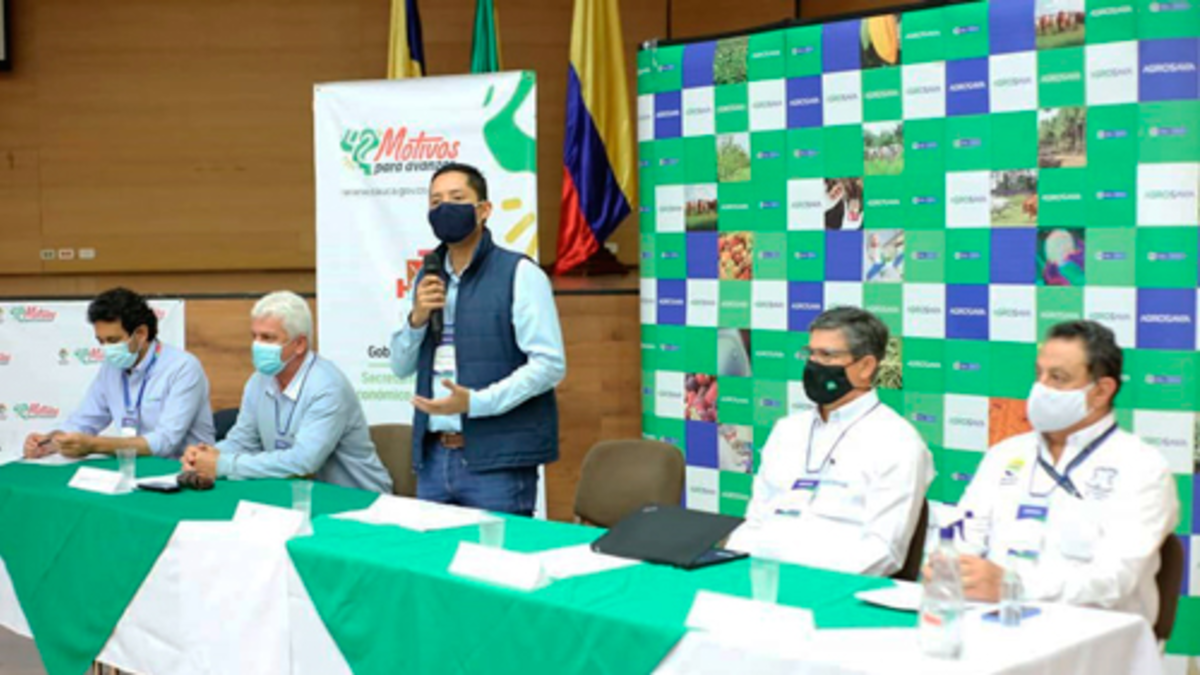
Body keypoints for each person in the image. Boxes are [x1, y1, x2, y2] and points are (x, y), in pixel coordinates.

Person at [953, 320, 1178, 625]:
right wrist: (949, 567)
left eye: (1058, 378)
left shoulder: (1141, 467)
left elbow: (1114, 580)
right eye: (1039, 374)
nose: (1040, 388)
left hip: (1092, 636)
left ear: (1101, 392)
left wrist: (1012, 585)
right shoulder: (1005, 455)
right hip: (990, 622)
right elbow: (962, 539)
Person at [390, 163, 566, 516]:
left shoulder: (519, 273)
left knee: (497, 551)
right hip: (433, 457)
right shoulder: (428, 276)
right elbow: (400, 366)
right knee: (433, 552)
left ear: (483, 210)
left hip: (497, 463)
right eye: (436, 202)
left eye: (456, 199)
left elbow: (549, 365)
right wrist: (417, 319)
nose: (444, 208)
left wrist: (477, 402)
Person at [727, 306, 933, 576]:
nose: (813, 364)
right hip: (760, 578)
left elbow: (883, 552)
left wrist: (804, 579)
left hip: (833, 586)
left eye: (827, 355)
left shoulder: (898, 442)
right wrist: (730, 568)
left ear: (865, 366)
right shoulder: (787, 430)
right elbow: (755, 522)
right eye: (810, 353)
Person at [182, 291, 392, 493]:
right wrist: (205, 456)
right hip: (299, 495)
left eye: (268, 338)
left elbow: (304, 462)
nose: (257, 346)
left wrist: (223, 465)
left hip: (358, 500)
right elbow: (244, 441)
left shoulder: (328, 387)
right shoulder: (258, 381)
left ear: (299, 344)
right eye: (254, 336)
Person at [23, 287, 214, 460]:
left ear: (141, 333)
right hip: (132, 466)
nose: (107, 349)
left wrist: (94, 445)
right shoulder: (111, 367)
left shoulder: (183, 367)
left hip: (183, 470)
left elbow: (165, 442)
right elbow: (85, 421)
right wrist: (51, 441)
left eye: (113, 340)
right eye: (101, 341)